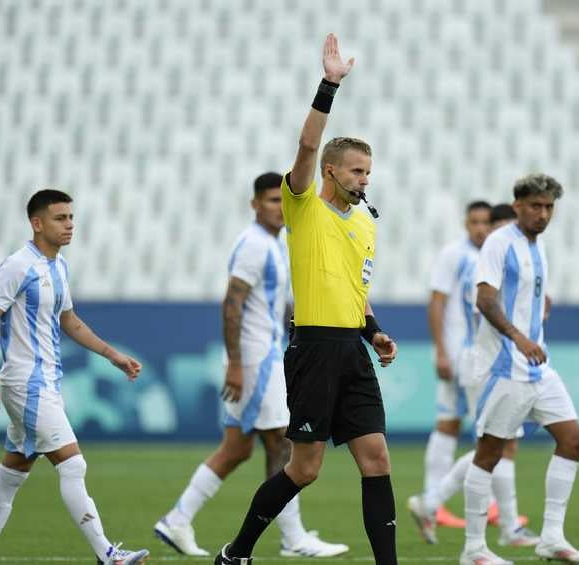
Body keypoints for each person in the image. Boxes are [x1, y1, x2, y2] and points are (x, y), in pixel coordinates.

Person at [214, 34, 399, 565]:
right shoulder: (303, 208)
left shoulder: (365, 223)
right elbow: (305, 147)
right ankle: (238, 550)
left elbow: (355, 292)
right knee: (305, 468)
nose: (364, 179)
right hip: (314, 350)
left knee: (377, 458)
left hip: (353, 352)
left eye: (368, 171)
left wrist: (375, 332)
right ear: (331, 172)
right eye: (355, 170)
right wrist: (329, 86)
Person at [155, 174, 347, 558]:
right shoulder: (253, 246)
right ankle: (292, 537)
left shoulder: (274, 244)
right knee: (283, 442)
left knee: (237, 449)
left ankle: (177, 520)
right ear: (255, 204)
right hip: (257, 360)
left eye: (282, 200)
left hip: (265, 354)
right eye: (271, 200)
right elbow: (232, 304)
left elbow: (271, 303)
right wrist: (237, 364)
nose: (279, 206)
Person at [0, 189, 149, 565]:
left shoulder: (59, 265)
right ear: (37, 223)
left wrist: (113, 355)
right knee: (73, 464)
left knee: (14, 469)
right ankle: (107, 554)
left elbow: (70, 321)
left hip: (45, 382)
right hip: (25, 382)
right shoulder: (18, 266)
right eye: (60, 218)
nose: (69, 225)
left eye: (71, 218)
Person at [460, 175, 579, 564]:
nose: (543, 213)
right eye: (536, 205)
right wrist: (518, 336)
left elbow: (523, 294)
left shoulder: (537, 246)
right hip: (505, 367)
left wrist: (539, 306)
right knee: (489, 453)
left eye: (549, 207)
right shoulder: (499, 243)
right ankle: (473, 548)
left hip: (538, 367)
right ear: (517, 205)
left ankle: (551, 537)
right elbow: (485, 300)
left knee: (573, 441)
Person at [409, 202, 538, 548]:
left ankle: (436, 503)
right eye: (478, 222)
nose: (483, 229)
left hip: (479, 359)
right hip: (482, 361)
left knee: (492, 440)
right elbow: (448, 305)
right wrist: (441, 350)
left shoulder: (490, 261)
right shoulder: (475, 261)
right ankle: (500, 523)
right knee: (496, 441)